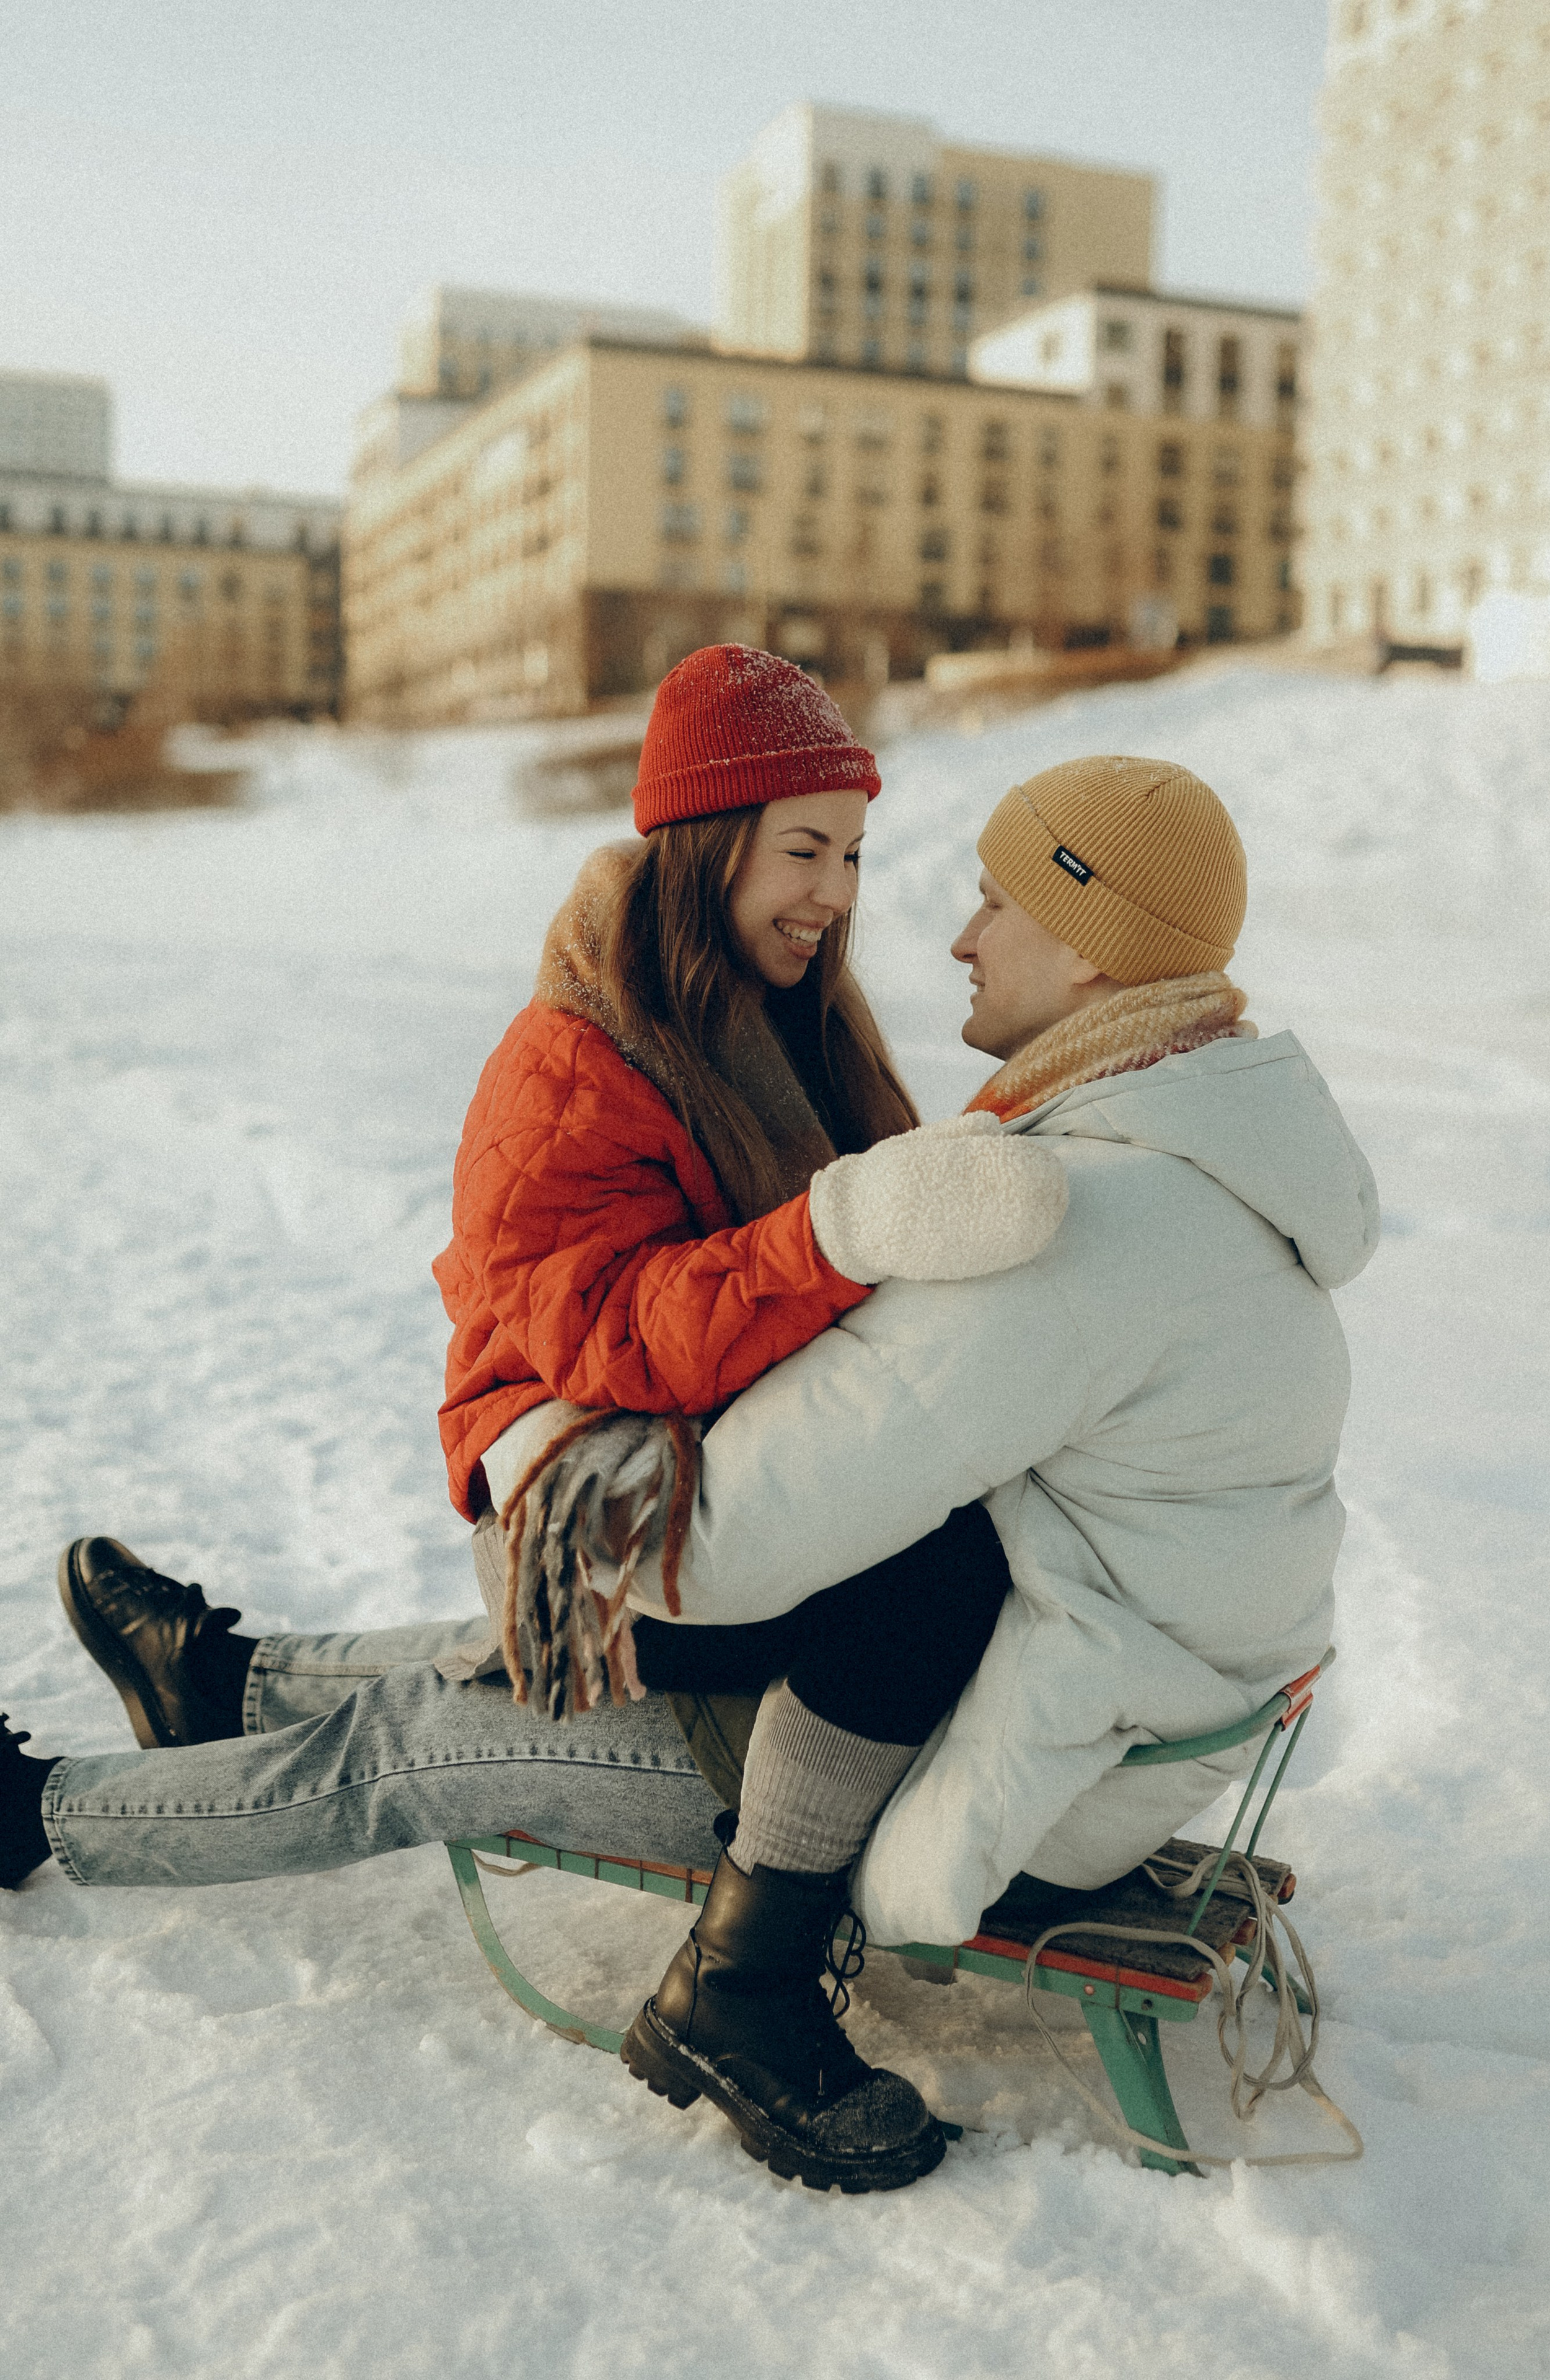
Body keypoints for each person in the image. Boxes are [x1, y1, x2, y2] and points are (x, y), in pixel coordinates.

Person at [2, 730, 1378, 2193]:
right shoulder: (1210, 1160)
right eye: (819, 854)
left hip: (957, 1753)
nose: (935, 930)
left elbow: (706, 1558)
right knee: (632, 1629)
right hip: (1065, 1701)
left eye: (992, 900)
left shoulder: (1077, 1221)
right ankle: (215, 1688)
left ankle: (48, 1816)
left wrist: (587, 1466)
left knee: (423, 1747)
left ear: (1095, 950)